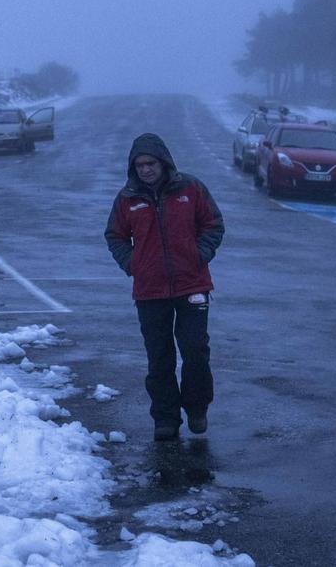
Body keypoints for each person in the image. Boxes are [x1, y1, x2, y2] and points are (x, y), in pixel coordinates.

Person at [105, 133, 224, 441]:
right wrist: (133, 265)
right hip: (150, 292)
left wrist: (200, 255)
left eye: (151, 163)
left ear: (163, 162)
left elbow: (213, 224)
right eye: (140, 164)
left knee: (195, 351)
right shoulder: (127, 199)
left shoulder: (191, 188)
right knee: (160, 357)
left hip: (193, 286)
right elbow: (115, 236)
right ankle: (166, 418)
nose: (146, 169)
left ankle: (197, 409)